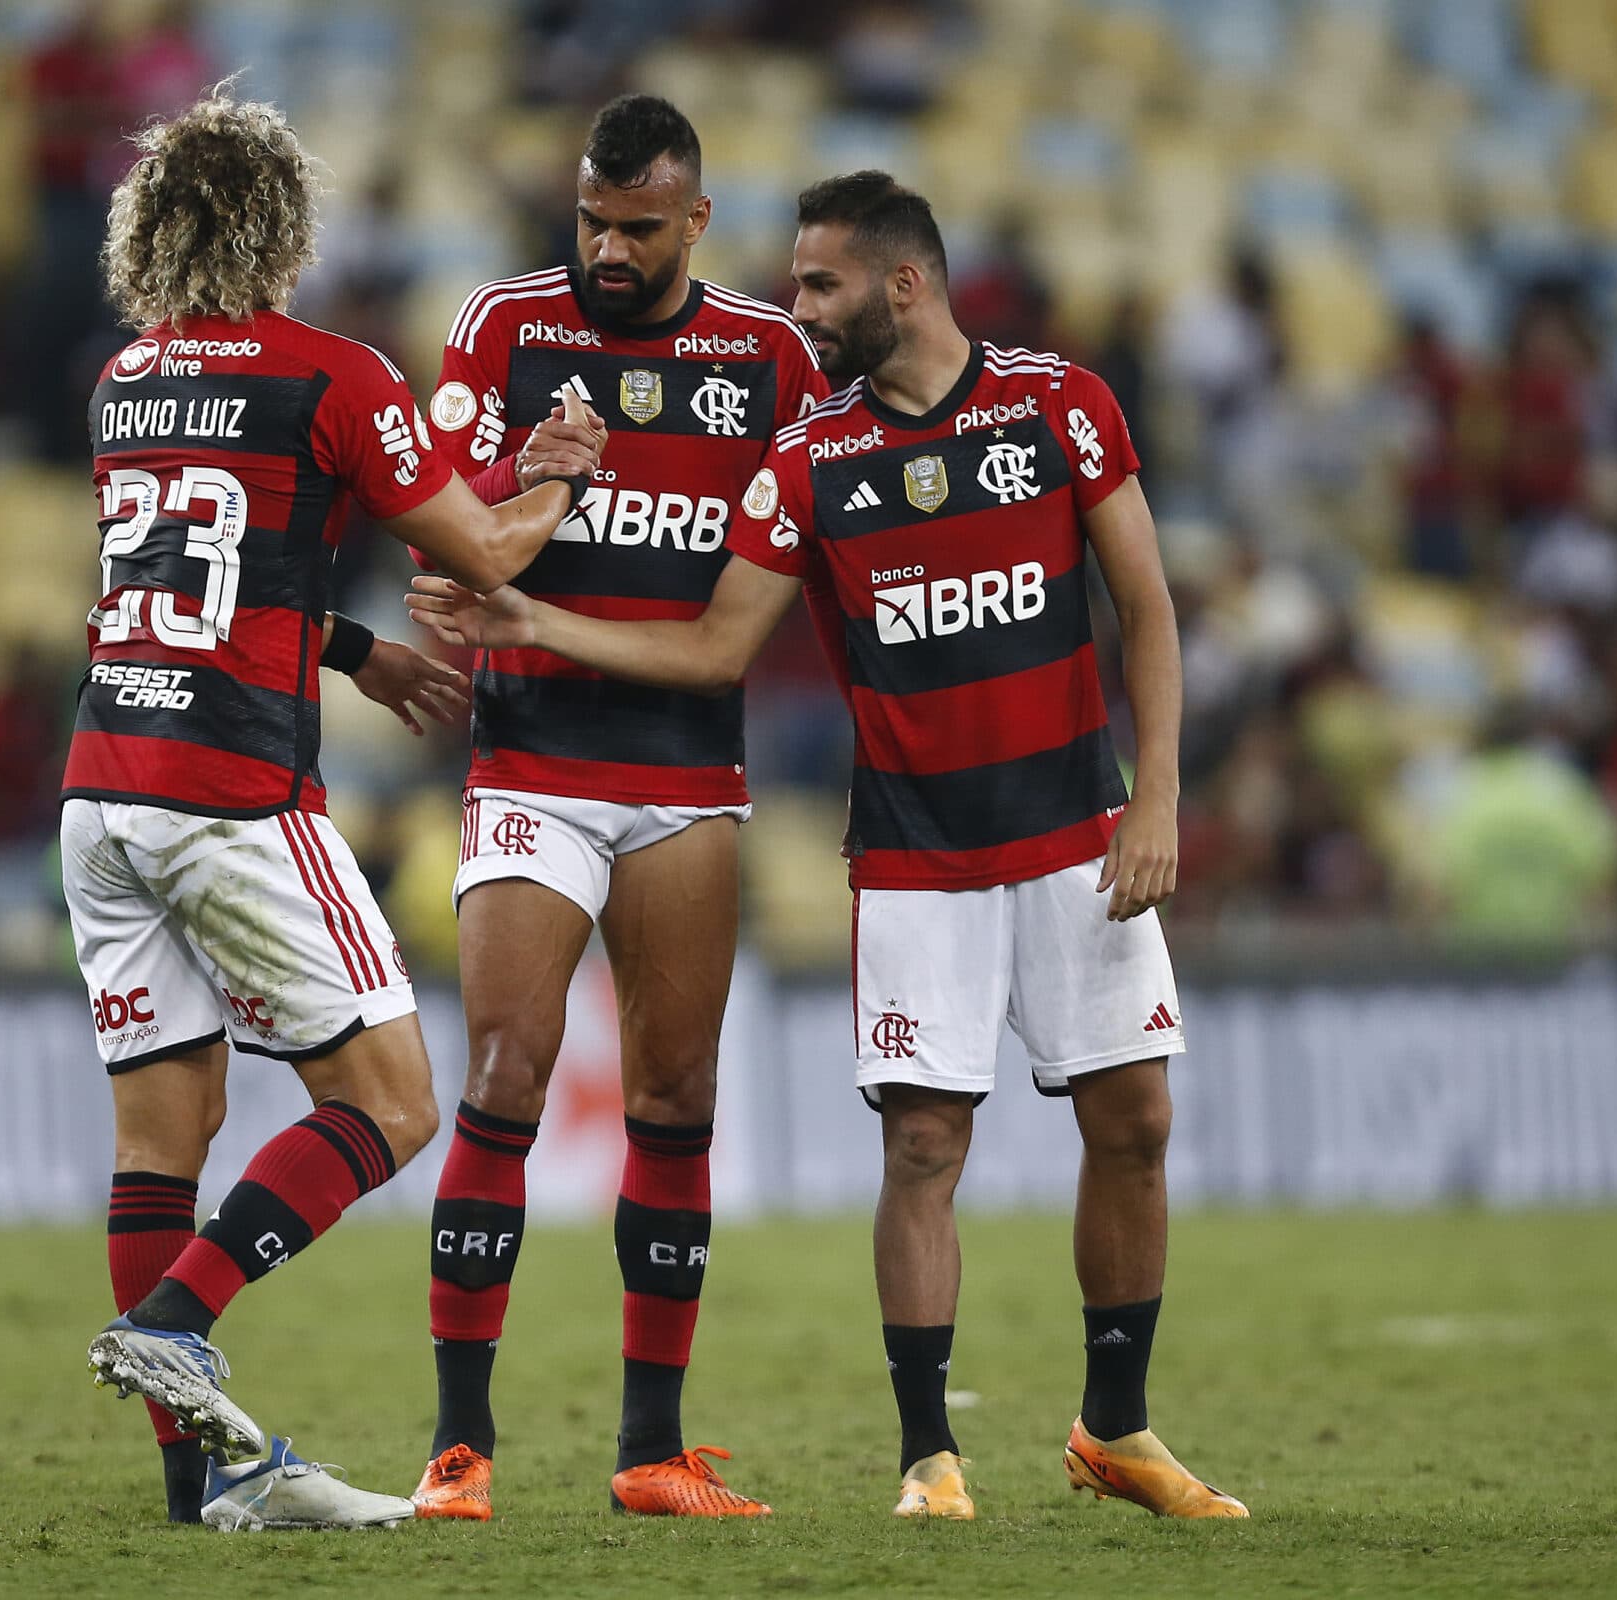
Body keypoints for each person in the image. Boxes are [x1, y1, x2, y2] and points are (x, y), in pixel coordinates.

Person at [411, 171, 1247, 1522]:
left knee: (1136, 1123)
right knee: (923, 1146)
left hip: (1078, 833)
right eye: (792, 287)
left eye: (820, 285)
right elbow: (717, 647)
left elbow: (1146, 608)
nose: (798, 313)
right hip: (914, 854)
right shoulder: (809, 458)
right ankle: (930, 1456)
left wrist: (1154, 801)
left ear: (903, 282)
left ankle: (1117, 1428)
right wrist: (541, 628)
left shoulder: (1058, 404)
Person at [66, 85, 606, 1532]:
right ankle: (180, 1321)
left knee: (158, 1142)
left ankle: (195, 1496)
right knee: (392, 1100)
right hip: (231, 795)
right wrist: (554, 473)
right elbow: (485, 547)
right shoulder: (328, 373)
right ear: (281, 229)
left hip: (103, 790)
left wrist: (357, 648)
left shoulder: (126, 383)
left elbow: (194, 587)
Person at [410, 94, 824, 1523]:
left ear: (695, 221)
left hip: (687, 772)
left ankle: (652, 1450)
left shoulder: (768, 360)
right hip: (532, 766)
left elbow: (785, 575)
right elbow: (445, 547)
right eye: (590, 221)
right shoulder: (505, 329)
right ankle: (459, 1447)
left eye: (638, 230)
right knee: (507, 1077)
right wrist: (528, 485)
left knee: (675, 1100)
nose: (606, 250)